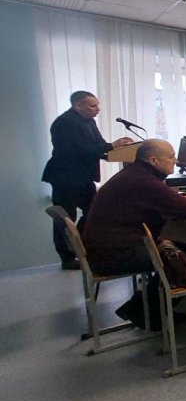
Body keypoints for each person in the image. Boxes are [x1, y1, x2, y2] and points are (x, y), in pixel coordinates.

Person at [82, 139, 186, 327]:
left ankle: (142, 308)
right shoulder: (144, 181)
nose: (176, 160)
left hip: (105, 249)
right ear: (153, 161)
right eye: (171, 157)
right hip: (113, 256)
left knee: (185, 251)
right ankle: (150, 313)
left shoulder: (133, 174)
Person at [43, 90, 134, 270]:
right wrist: (112, 145)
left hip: (84, 177)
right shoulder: (64, 122)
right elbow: (77, 150)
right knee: (66, 217)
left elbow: (98, 145)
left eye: (97, 105)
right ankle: (67, 258)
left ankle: (80, 245)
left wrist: (116, 149)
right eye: (93, 106)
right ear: (78, 105)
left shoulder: (90, 121)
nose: (98, 109)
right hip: (66, 177)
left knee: (94, 211)